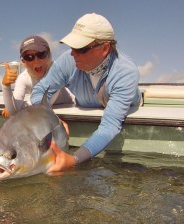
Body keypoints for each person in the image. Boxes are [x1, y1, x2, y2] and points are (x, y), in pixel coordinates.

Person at [30, 13, 142, 172]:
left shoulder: (125, 72)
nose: (72, 53)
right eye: (72, 47)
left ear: (105, 48)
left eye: (80, 48)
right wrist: (50, 118)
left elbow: (109, 126)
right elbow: (40, 91)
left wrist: (74, 159)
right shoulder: (68, 61)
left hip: (125, 107)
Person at [1, 35, 74, 118]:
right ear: (23, 61)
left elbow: (43, 105)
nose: (36, 61)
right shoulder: (23, 78)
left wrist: (19, 106)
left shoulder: (57, 70)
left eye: (41, 54)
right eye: (29, 57)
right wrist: (5, 86)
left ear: (49, 54)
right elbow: (13, 111)